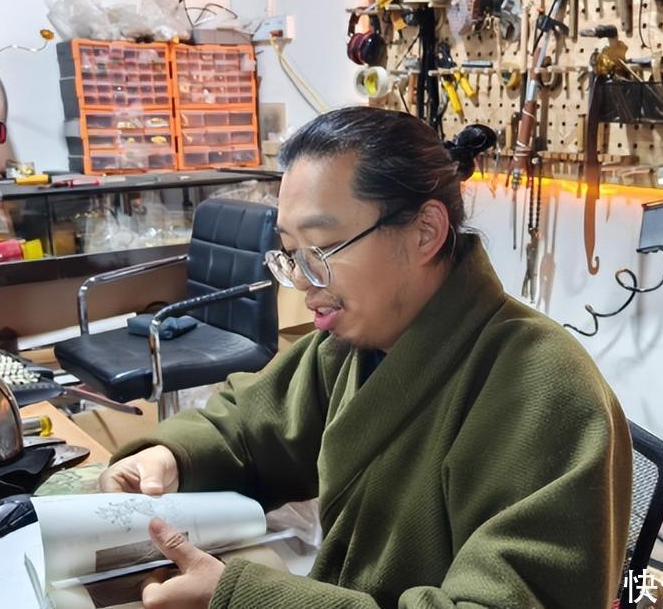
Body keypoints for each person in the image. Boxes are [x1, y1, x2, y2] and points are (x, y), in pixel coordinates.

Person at [99, 107, 633, 609]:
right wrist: (171, 458)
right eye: (290, 253)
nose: (302, 281)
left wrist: (248, 597)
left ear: (425, 232)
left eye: (321, 250)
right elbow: (249, 426)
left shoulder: (545, 390)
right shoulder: (354, 344)